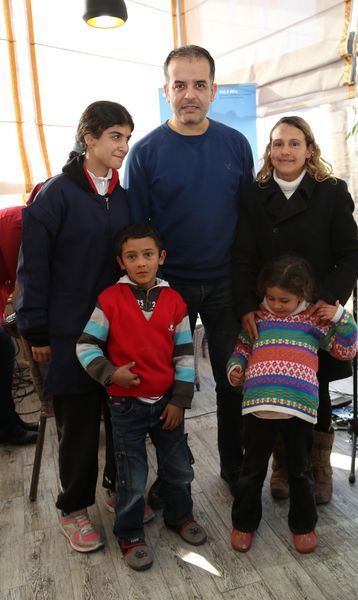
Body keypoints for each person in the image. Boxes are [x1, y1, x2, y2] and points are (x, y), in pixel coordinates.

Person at [124, 44, 254, 503]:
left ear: (214, 91)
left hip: (225, 284)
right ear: (167, 91)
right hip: (169, 287)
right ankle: (172, 476)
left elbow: (248, 219)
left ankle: (234, 467)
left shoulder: (236, 145)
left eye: (200, 85)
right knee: (164, 385)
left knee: (232, 380)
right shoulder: (144, 153)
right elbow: (137, 233)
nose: (190, 94)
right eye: (180, 85)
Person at [16, 100, 134, 552]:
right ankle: (73, 507)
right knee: (79, 427)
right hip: (69, 332)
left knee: (121, 417)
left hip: (118, 329)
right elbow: (33, 268)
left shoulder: (123, 196)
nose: (123, 146)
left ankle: (116, 487)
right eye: (115, 136)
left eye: (127, 137)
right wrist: (37, 330)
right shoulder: (54, 195)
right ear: (90, 139)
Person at [232, 115, 358, 505]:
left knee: (316, 388)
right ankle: (282, 464)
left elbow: (351, 253)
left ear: (310, 149)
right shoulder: (253, 194)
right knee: (272, 386)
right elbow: (242, 256)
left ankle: (317, 465)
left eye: (294, 143)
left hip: (315, 312)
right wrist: (246, 306)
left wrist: (328, 298)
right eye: (278, 143)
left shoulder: (331, 191)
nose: (285, 151)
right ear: (269, 151)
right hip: (270, 311)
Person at [76, 222, 207, 571]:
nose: (141, 262)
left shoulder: (175, 302)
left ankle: (180, 516)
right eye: (132, 257)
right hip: (125, 405)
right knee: (131, 477)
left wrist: (179, 401)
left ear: (160, 257)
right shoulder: (110, 300)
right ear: (121, 262)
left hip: (167, 404)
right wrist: (110, 373)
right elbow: (85, 346)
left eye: (147, 254)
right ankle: (130, 533)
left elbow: (184, 355)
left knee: (178, 469)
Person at [228, 255, 358, 554]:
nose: (276, 304)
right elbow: (241, 350)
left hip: (299, 410)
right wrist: (235, 368)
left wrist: (341, 317)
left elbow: (346, 351)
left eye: (284, 300)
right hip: (258, 408)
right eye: (271, 297)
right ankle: (244, 522)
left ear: (302, 294)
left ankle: (304, 524)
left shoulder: (314, 320)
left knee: (301, 472)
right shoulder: (257, 318)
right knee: (251, 471)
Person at [0, 205, 38, 445]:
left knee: (4, 350)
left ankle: (10, 421)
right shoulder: (19, 223)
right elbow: (21, 275)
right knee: (3, 348)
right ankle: (6, 427)